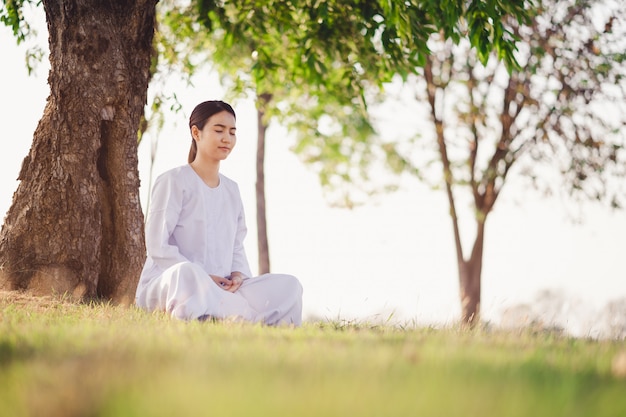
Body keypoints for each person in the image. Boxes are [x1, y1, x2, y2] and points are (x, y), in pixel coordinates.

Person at [135, 100, 303, 325]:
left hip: (222, 289)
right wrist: (204, 277)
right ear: (196, 132)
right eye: (219, 130)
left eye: (232, 132)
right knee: (187, 273)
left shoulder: (231, 190)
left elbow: (237, 247)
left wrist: (237, 277)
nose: (227, 138)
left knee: (289, 286)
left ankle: (224, 315)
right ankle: (226, 316)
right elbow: (157, 246)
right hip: (175, 283)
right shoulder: (173, 181)